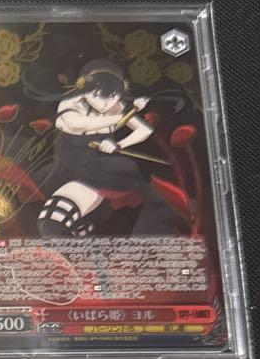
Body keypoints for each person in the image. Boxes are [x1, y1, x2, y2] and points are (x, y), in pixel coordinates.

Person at [33, 59, 184, 237]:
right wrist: (124, 116)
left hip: (97, 173)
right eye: (97, 95)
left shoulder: (117, 107)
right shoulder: (70, 105)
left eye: (112, 96)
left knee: (61, 224)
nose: (105, 103)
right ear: (83, 88)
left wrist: (119, 144)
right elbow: (77, 124)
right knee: (54, 223)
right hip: (67, 169)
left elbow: (145, 130)